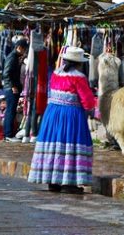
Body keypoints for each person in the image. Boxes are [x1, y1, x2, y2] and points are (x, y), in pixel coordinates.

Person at [27, 46, 96, 194]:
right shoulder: (79, 77)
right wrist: (93, 110)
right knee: (70, 144)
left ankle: (53, 181)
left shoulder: (56, 73)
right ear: (79, 63)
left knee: (54, 144)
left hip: (52, 114)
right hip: (71, 115)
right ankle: (68, 183)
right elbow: (88, 101)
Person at [2, 37, 28, 142]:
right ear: (19, 47)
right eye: (24, 49)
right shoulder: (12, 57)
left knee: (11, 110)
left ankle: (8, 134)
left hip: (12, 87)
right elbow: (6, 73)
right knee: (11, 110)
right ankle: (8, 134)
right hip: (11, 88)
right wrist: (13, 86)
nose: (24, 51)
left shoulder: (15, 57)